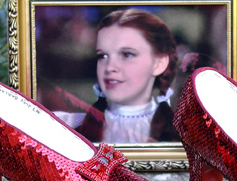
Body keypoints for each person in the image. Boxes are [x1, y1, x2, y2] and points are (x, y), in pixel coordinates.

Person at [72, 8, 179, 143]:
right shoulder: (76, 134)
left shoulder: (183, 137)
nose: (110, 67)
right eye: (103, 56)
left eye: (127, 54)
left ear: (158, 64)